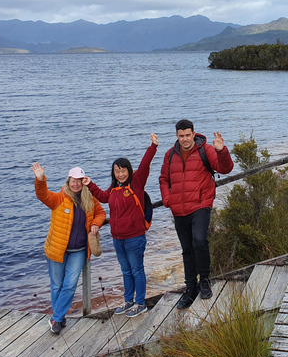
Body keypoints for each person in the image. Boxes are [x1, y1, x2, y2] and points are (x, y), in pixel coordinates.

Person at [159, 119, 234, 310]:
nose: (185, 139)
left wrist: (221, 151)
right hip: (179, 208)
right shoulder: (170, 155)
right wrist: (167, 199)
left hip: (200, 205)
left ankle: (205, 281)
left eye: (187, 135)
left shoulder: (205, 149)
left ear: (193, 134)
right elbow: (163, 179)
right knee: (186, 249)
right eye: (181, 136)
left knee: (199, 241)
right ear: (177, 136)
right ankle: (191, 288)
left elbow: (225, 169)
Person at [83, 134, 158, 318]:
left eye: (124, 170)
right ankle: (128, 301)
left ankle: (140, 303)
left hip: (135, 237)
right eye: (117, 171)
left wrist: (153, 146)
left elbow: (145, 165)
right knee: (126, 271)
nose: (121, 174)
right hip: (118, 238)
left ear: (129, 171)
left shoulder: (137, 183)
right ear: (114, 173)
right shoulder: (114, 189)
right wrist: (89, 184)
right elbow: (102, 197)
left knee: (137, 270)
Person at [31, 163, 106, 334]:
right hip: (57, 249)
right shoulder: (59, 198)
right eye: (73, 181)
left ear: (84, 182)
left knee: (70, 285)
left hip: (79, 250)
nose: (76, 184)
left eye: (80, 181)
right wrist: (40, 178)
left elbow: (101, 213)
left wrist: (95, 224)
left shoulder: (90, 198)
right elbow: (42, 195)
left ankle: (56, 318)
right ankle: (59, 317)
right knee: (57, 285)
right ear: (68, 181)